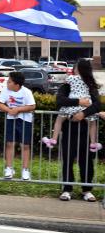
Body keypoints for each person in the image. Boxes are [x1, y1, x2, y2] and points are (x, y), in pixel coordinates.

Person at [55, 59, 101, 202]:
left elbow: (97, 105)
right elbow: (60, 100)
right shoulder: (67, 84)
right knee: (68, 158)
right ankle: (67, 189)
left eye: (77, 68)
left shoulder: (91, 86)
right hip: (69, 126)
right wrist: (77, 102)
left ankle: (87, 189)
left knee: (86, 160)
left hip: (86, 128)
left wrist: (83, 113)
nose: (74, 71)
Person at [44, 73, 102, 152]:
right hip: (85, 104)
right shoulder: (88, 79)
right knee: (92, 123)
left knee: (59, 119)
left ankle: (54, 139)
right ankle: (93, 143)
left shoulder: (71, 78)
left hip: (72, 105)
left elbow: (63, 82)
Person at [0, 71, 36, 181]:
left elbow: (32, 106)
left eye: (9, 82)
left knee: (25, 145)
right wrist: (9, 110)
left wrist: (18, 109)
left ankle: (25, 170)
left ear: (16, 84)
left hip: (25, 120)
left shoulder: (26, 92)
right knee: (9, 143)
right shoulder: (6, 91)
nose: (7, 83)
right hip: (11, 120)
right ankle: (9, 168)